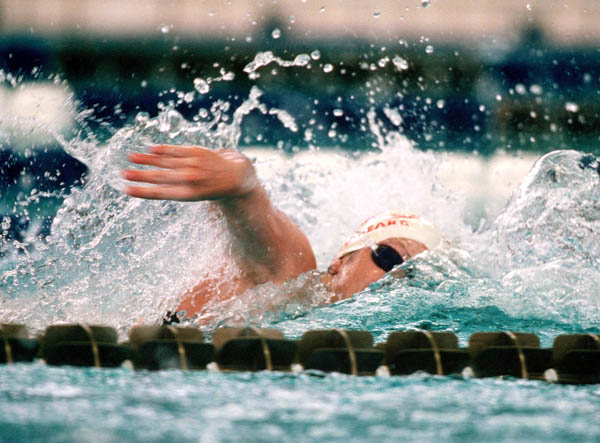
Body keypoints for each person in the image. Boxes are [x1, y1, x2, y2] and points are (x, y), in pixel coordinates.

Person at [122, 145, 443, 318]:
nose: (397, 278)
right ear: (341, 261)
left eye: (415, 275)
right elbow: (254, 207)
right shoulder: (293, 270)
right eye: (389, 258)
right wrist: (240, 177)